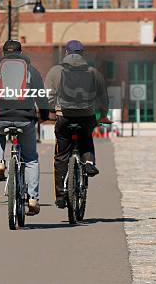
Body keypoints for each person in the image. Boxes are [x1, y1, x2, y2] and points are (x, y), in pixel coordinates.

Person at [0, 40, 49, 215]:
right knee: (31, 159)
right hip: (25, 119)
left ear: (3, 53)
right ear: (20, 53)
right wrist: (43, 115)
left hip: (1, 117)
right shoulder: (31, 71)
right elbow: (41, 95)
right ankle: (33, 198)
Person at [45, 40, 110, 209]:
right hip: (86, 115)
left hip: (64, 117)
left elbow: (48, 95)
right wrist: (103, 115)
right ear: (82, 54)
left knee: (61, 156)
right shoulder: (93, 72)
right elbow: (103, 96)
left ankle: (60, 196)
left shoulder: (55, 71)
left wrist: (51, 111)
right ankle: (88, 163)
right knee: (86, 138)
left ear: (66, 53)